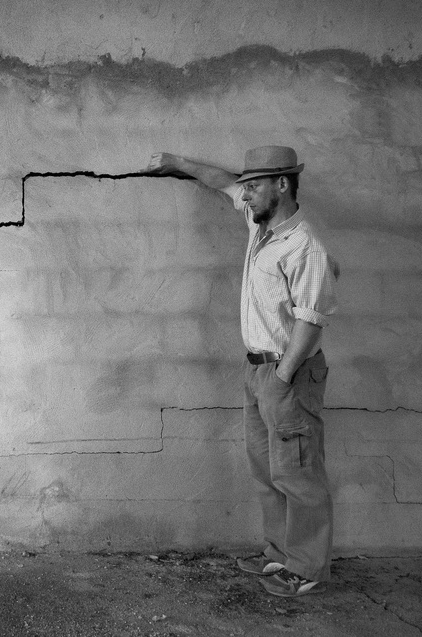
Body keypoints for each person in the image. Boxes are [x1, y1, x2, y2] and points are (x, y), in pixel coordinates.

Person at [145, 146, 339, 598]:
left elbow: (311, 320)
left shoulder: (304, 246)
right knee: (268, 472)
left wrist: (282, 376)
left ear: (282, 185)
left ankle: (307, 567)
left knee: (298, 474)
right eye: (246, 186)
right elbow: (222, 182)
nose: (244, 194)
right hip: (257, 371)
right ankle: (279, 553)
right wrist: (179, 162)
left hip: (288, 373)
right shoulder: (260, 225)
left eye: (253, 186)